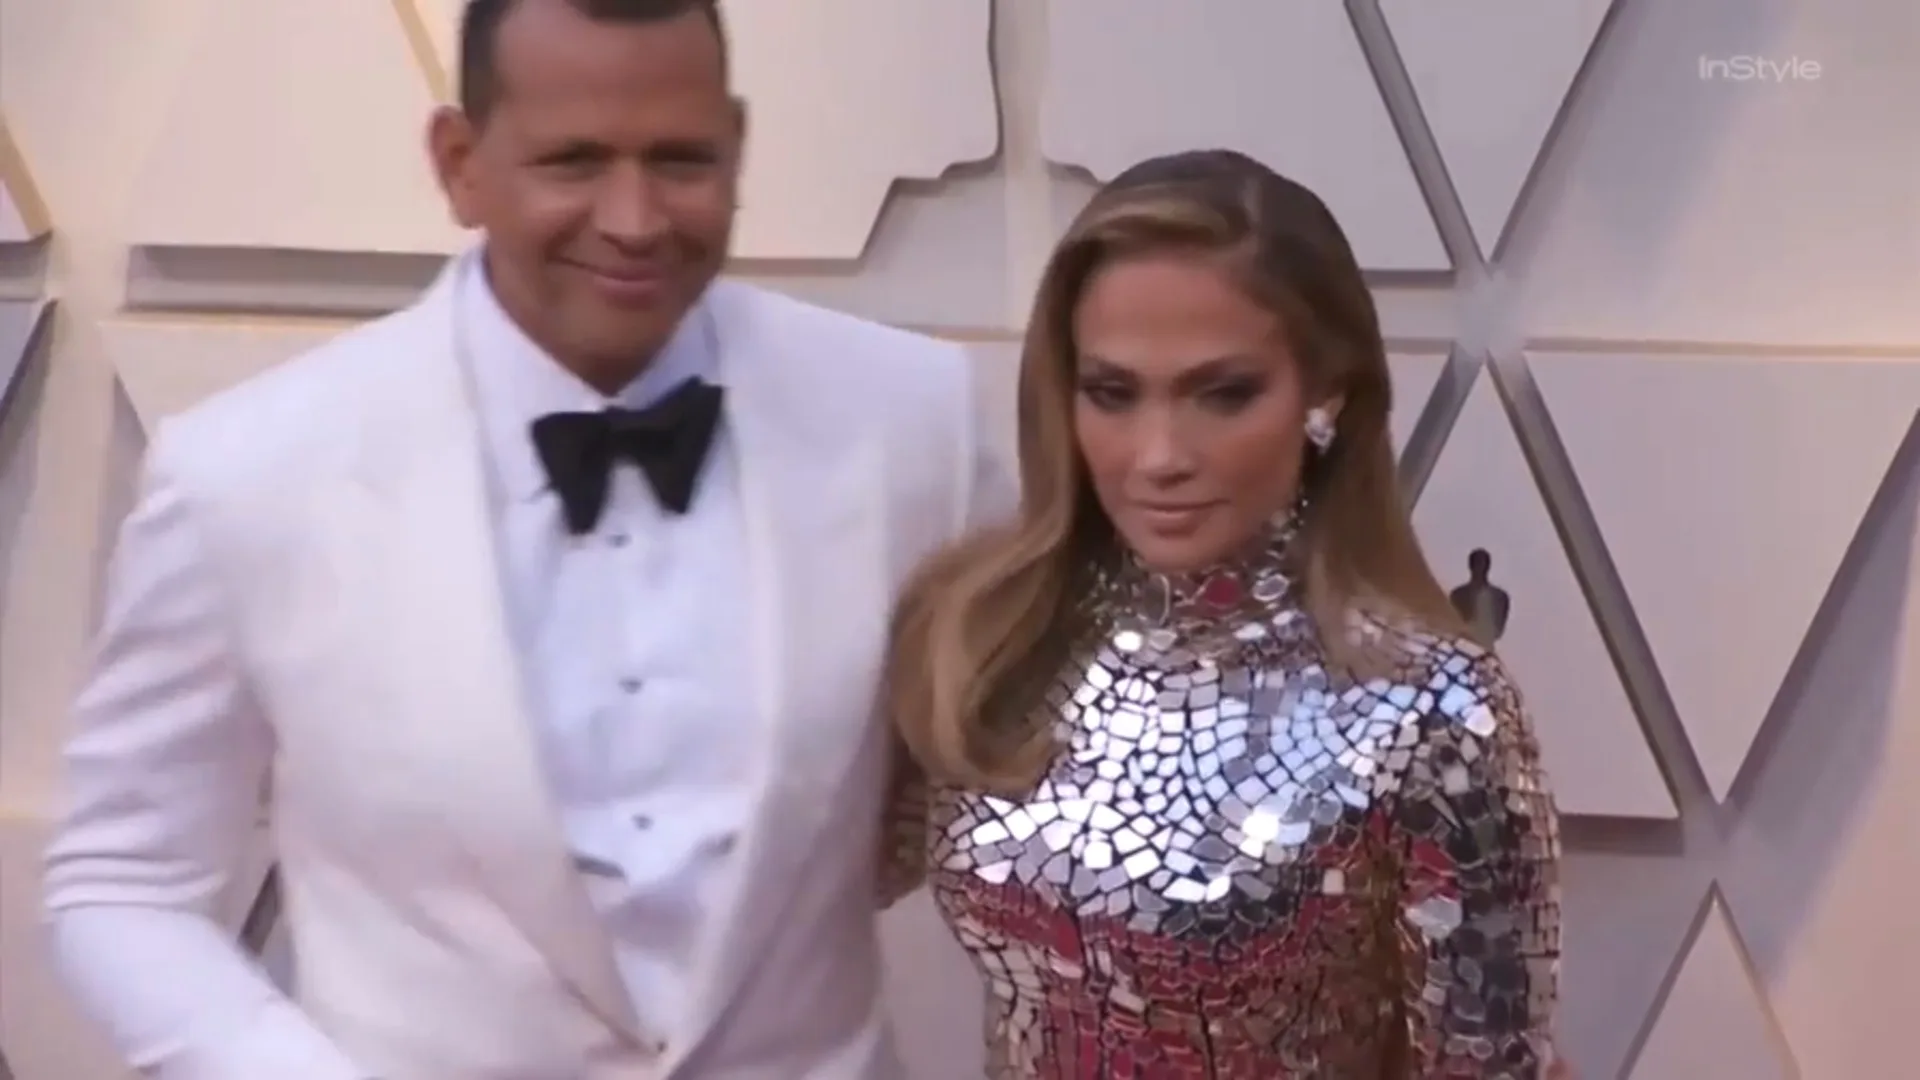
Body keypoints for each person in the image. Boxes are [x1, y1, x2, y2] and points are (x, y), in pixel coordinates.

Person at [42, 0, 1012, 1077]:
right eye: (574, 161)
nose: (634, 220)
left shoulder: (917, 419)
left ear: (737, 148)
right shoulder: (246, 474)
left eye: (681, 159)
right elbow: (121, 881)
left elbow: (1036, 763)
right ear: (460, 164)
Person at [881, 150, 1563, 1077]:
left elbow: (1489, 1063)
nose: (1159, 455)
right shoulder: (985, 631)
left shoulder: (1431, 709)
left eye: (1223, 393)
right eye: (1112, 393)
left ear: (1326, 394)